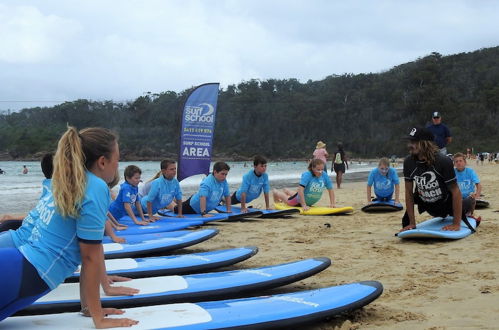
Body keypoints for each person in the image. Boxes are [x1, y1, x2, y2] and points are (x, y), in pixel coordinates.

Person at [0, 126, 138, 327]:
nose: (118, 166)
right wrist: (97, 317)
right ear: (102, 161)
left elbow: (90, 252)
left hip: (19, 267)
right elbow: (89, 256)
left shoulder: (71, 181)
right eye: (117, 160)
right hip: (26, 273)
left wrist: (91, 308)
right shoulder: (97, 187)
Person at [400, 126, 470, 233]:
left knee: (468, 204)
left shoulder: (443, 161)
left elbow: (455, 191)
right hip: (427, 205)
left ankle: (471, 202)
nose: (410, 145)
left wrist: (456, 223)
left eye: (414, 142)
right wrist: (412, 223)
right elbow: (409, 193)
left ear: (425, 143)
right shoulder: (408, 162)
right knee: (414, 195)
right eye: (410, 141)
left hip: (446, 204)